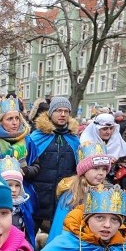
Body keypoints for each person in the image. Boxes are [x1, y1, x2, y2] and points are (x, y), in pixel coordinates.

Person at [27, 96, 80, 231]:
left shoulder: (73, 139)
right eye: (58, 110)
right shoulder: (36, 137)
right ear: (50, 113)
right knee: (30, 233)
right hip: (38, 195)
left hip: (63, 196)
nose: (62, 114)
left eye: (66, 111)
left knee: (59, 234)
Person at [48, 141, 111, 243]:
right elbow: (60, 226)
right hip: (72, 242)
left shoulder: (106, 192)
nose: (101, 173)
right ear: (84, 170)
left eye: (104, 169)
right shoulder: (71, 195)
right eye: (96, 169)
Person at [79, 113, 126, 188]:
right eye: (105, 128)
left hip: (115, 184)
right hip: (90, 185)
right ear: (96, 129)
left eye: (111, 128)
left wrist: (118, 163)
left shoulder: (119, 142)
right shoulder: (86, 142)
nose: (108, 132)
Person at [0, 155, 34, 246]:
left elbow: (27, 230)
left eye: (17, 185)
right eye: (9, 185)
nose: (14, 189)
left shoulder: (23, 205)